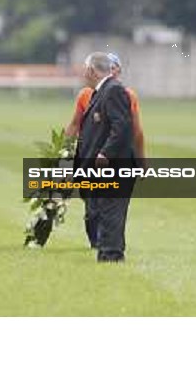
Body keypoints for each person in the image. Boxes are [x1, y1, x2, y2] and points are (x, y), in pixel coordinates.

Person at [65, 52, 145, 247]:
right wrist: (65, 152)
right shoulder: (86, 94)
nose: (114, 70)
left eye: (116, 66)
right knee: (92, 207)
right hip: (90, 159)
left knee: (111, 206)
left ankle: (108, 245)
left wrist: (141, 161)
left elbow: (134, 130)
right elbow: (75, 125)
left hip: (111, 160)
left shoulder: (125, 94)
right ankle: (99, 242)